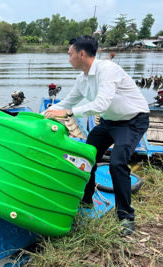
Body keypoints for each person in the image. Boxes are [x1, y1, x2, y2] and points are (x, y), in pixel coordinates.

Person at [44, 35, 150, 235]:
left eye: (70, 54)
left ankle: (126, 217)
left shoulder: (107, 70)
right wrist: (40, 117)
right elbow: (66, 102)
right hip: (110, 121)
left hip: (132, 121)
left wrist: (68, 114)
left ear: (81, 54)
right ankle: (86, 201)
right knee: (86, 156)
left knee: (117, 162)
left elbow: (100, 105)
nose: (68, 59)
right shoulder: (82, 78)